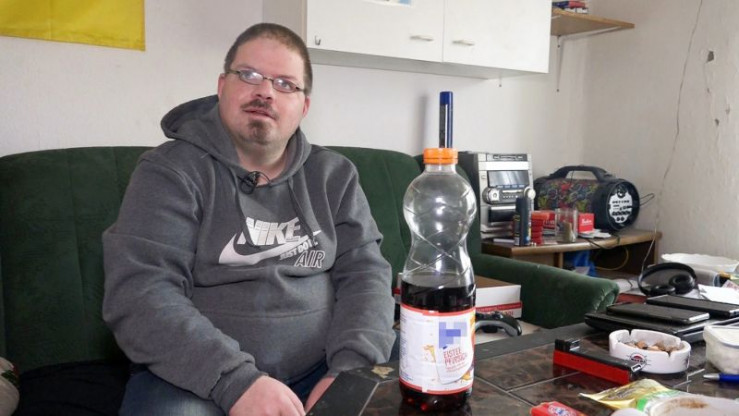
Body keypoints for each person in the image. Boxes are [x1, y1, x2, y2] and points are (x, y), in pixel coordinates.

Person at [102, 22, 395, 416]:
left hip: (324, 367)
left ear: (304, 107)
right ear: (222, 86)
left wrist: (349, 370)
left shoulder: (334, 175)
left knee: (431, 371)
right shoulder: (170, 172)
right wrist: (236, 382)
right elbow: (142, 294)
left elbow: (366, 276)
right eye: (250, 75)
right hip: (200, 376)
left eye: (285, 84)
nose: (266, 92)